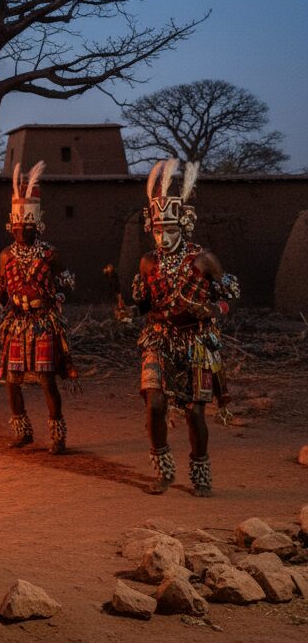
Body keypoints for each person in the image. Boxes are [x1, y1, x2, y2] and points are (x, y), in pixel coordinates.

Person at [121, 160, 238, 497]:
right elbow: (145, 305)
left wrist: (212, 308)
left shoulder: (204, 260)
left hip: (197, 342)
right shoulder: (148, 262)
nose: (163, 237)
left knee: (195, 413)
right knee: (154, 404)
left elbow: (232, 295)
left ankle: (200, 472)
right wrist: (130, 310)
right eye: (158, 231)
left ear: (184, 227)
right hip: (158, 338)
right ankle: (163, 470)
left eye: (170, 231)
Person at [0, 161, 77, 453]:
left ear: (37, 224)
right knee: (11, 380)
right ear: (10, 225)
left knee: (45, 379)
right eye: (17, 225)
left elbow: (65, 282)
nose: (21, 230)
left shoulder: (50, 254)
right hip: (17, 321)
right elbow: (2, 287)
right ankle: (23, 431)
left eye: (27, 225)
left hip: (43, 322)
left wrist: (58, 297)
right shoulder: (5, 256)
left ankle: (57, 434)